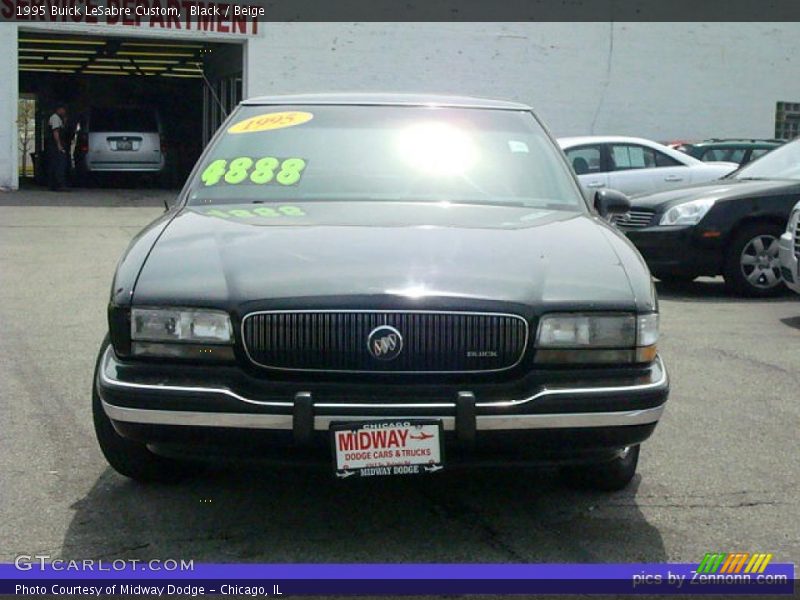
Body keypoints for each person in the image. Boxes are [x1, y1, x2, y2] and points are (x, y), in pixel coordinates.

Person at [46, 104, 69, 191]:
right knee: (59, 164)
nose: (64, 112)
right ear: (59, 109)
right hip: (55, 145)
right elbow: (56, 132)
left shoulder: (59, 119)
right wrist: (59, 145)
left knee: (56, 164)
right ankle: (59, 184)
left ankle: (55, 184)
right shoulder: (55, 118)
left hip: (55, 145)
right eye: (63, 110)